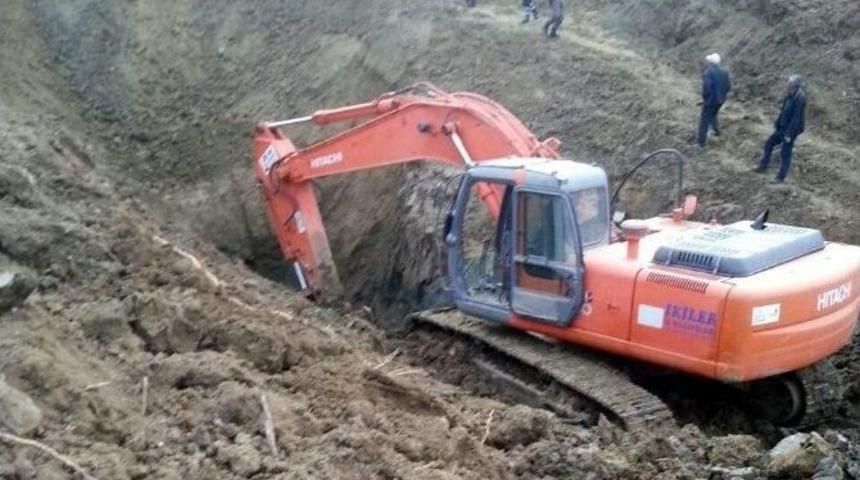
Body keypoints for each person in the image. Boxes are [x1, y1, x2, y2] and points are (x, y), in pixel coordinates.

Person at [754, 75, 806, 182]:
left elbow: (796, 118)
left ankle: (780, 177)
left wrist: (788, 134)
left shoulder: (800, 98)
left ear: (794, 86)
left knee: (785, 152)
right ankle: (763, 165)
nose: (787, 84)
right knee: (769, 143)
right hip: (782, 127)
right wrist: (778, 122)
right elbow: (783, 110)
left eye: (789, 82)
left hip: (791, 130)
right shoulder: (789, 95)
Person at [697, 53, 731, 147]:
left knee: (704, 121)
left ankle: (701, 143)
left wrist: (705, 99)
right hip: (721, 100)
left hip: (711, 101)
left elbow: (706, 89)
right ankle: (717, 132)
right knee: (713, 114)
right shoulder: (724, 72)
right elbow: (728, 87)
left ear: (710, 63)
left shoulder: (707, 72)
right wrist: (722, 96)